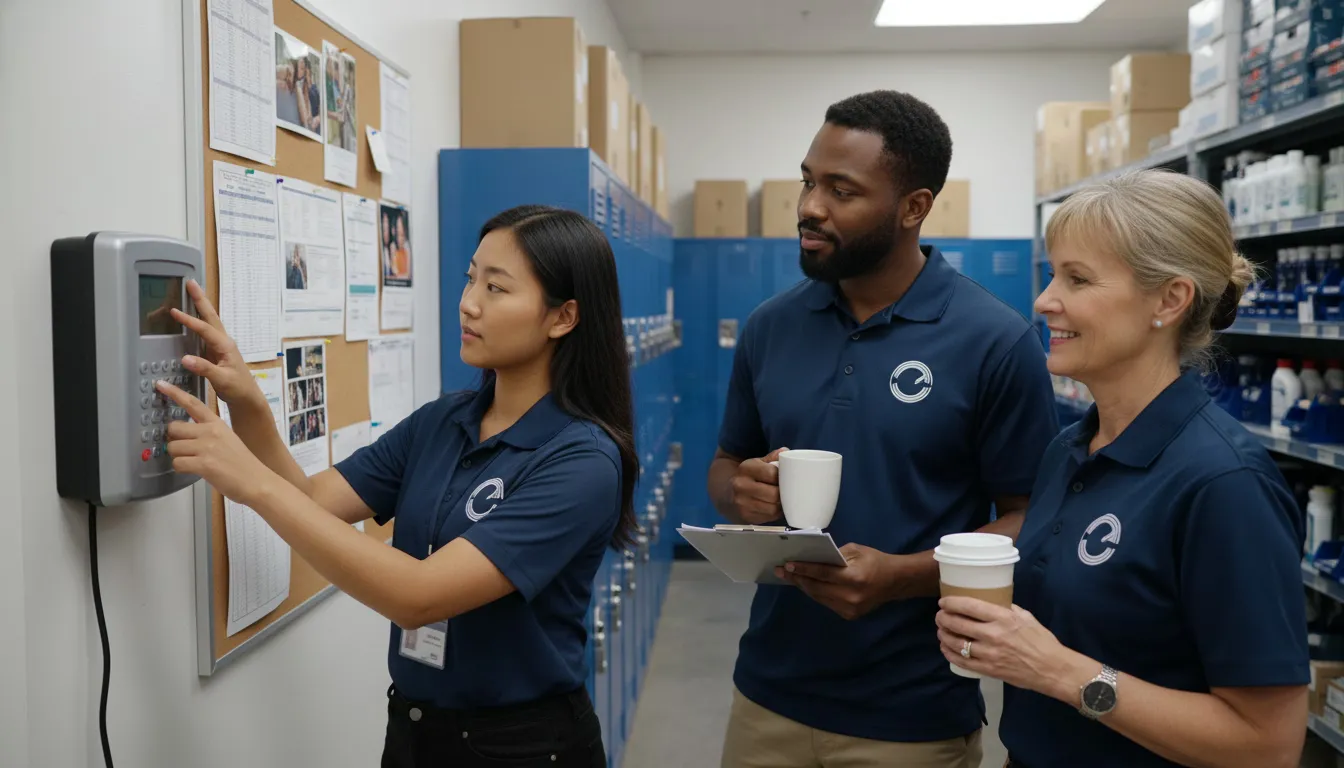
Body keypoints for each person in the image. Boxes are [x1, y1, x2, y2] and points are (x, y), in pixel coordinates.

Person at [156, 204, 637, 767]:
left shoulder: (582, 461)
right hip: (415, 728)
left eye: (497, 288)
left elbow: (418, 596)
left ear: (563, 317)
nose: (469, 302)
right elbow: (315, 502)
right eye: (470, 278)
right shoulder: (445, 420)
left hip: (523, 746)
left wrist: (254, 486)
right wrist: (247, 401)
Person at [708, 89, 1060, 767]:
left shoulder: (992, 341)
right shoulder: (769, 328)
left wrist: (900, 576)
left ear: (914, 207)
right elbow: (725, 466)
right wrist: (740, 492)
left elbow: (1032, 519)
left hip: (911, 716)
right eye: (809, 181)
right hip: (767, 699)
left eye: (842, 190)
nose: (811, 206)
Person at [935, 169, 1309, 767]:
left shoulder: (1225, 484)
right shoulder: (1066, 452)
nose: (1044, 299)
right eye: (1053, 273)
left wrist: (1060, 671)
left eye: (1078, 279)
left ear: (1169, 299)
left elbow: (1267, 745)